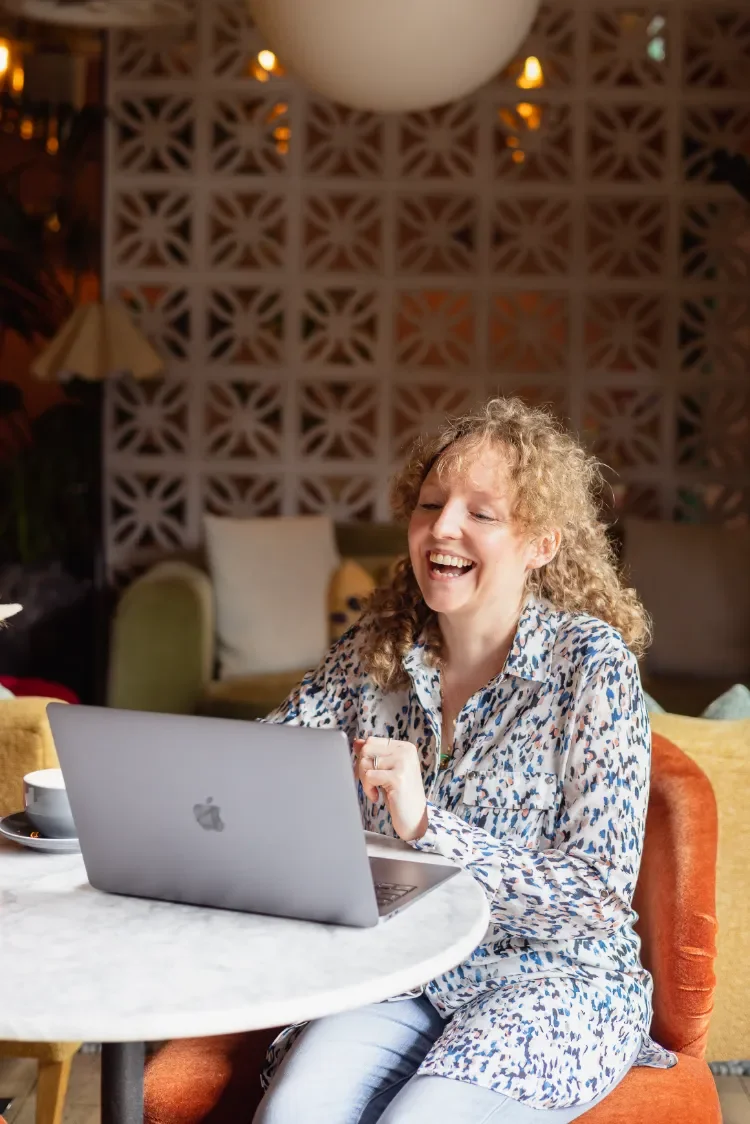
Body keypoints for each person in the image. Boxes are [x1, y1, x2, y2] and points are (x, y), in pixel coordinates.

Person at [252, 397, 676, 1124]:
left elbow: (598, 895)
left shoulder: (591, 666)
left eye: (481, 512)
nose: (443, 527)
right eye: (430, 504)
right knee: (291, 1115)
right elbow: (263, 764)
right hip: (400, 970)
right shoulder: (375, 650)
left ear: (541, 543)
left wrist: (428, 828)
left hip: (552, 984)